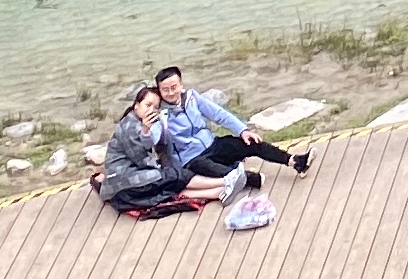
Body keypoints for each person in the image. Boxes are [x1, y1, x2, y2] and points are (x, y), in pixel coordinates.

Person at [155, 66, 312, 184]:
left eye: (174, 87)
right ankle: (249, 179)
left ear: (181, 85)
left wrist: (242, 130)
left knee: (251, 143)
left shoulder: (192, 98)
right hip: (190, 159)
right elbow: (154, 140)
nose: (170, 93)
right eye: (165, 90)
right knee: (208, 167)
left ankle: (295, 161)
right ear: (159, 91)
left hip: (212, 144)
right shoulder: (159, 114)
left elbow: (219, 115)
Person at [99, 82, 215, 211]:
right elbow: (143, 161)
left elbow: (158, 149)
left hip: (130, 179)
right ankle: (222, 183)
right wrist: (146, 131)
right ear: (137, 106)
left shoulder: (140, 122)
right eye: (148, 105)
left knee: (171, 180)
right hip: (123, 185)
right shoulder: (130, 127)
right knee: (172, 176)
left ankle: (218, 191)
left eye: (156, 107)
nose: (151, 110)